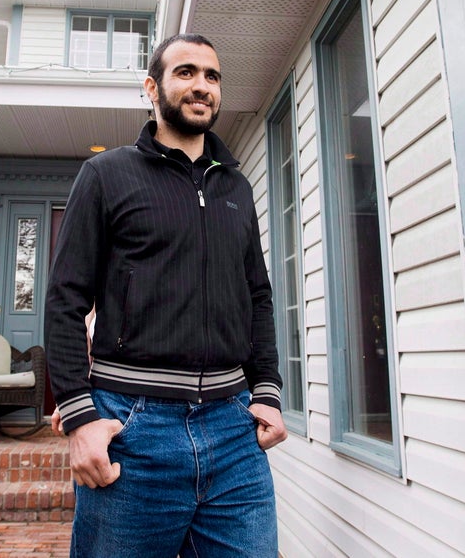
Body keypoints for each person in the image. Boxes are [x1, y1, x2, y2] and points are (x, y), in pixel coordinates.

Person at [44, 33, 287, 557]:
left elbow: (258, 297)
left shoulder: (236, 189)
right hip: (134, 430)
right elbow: (65, 300)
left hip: (233, 434)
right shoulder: (106, 175)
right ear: (152, 87)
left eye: (212, 76)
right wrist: (80, 416)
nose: (202, 86)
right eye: (186, 73)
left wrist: (266, 388)